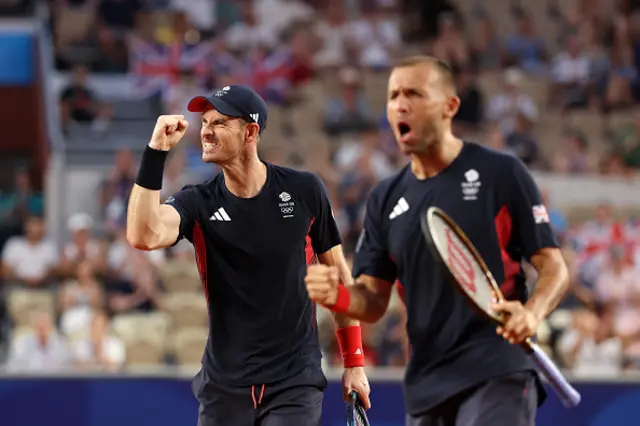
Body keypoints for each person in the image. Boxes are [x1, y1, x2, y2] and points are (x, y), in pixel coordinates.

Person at [305, 56, 570, 426]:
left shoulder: (501, 173)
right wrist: (340, 296)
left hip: (498, 370)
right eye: (393, 95)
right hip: (426, 386)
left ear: (450, 106)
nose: (400, 103)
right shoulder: (385, 198)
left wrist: (533, 313)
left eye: (414, 93)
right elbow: (373, 299)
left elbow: (553, 266)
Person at [126, 84, 370, 426]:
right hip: (223, 387)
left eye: (220, 122)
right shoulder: (197, 202)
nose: (207, 130)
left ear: (251, 132)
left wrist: (354, 363)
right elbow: (143, 235)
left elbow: (341, 278)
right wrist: (154, 153)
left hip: (294, 382)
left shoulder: (304, 190)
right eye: (206, 122)